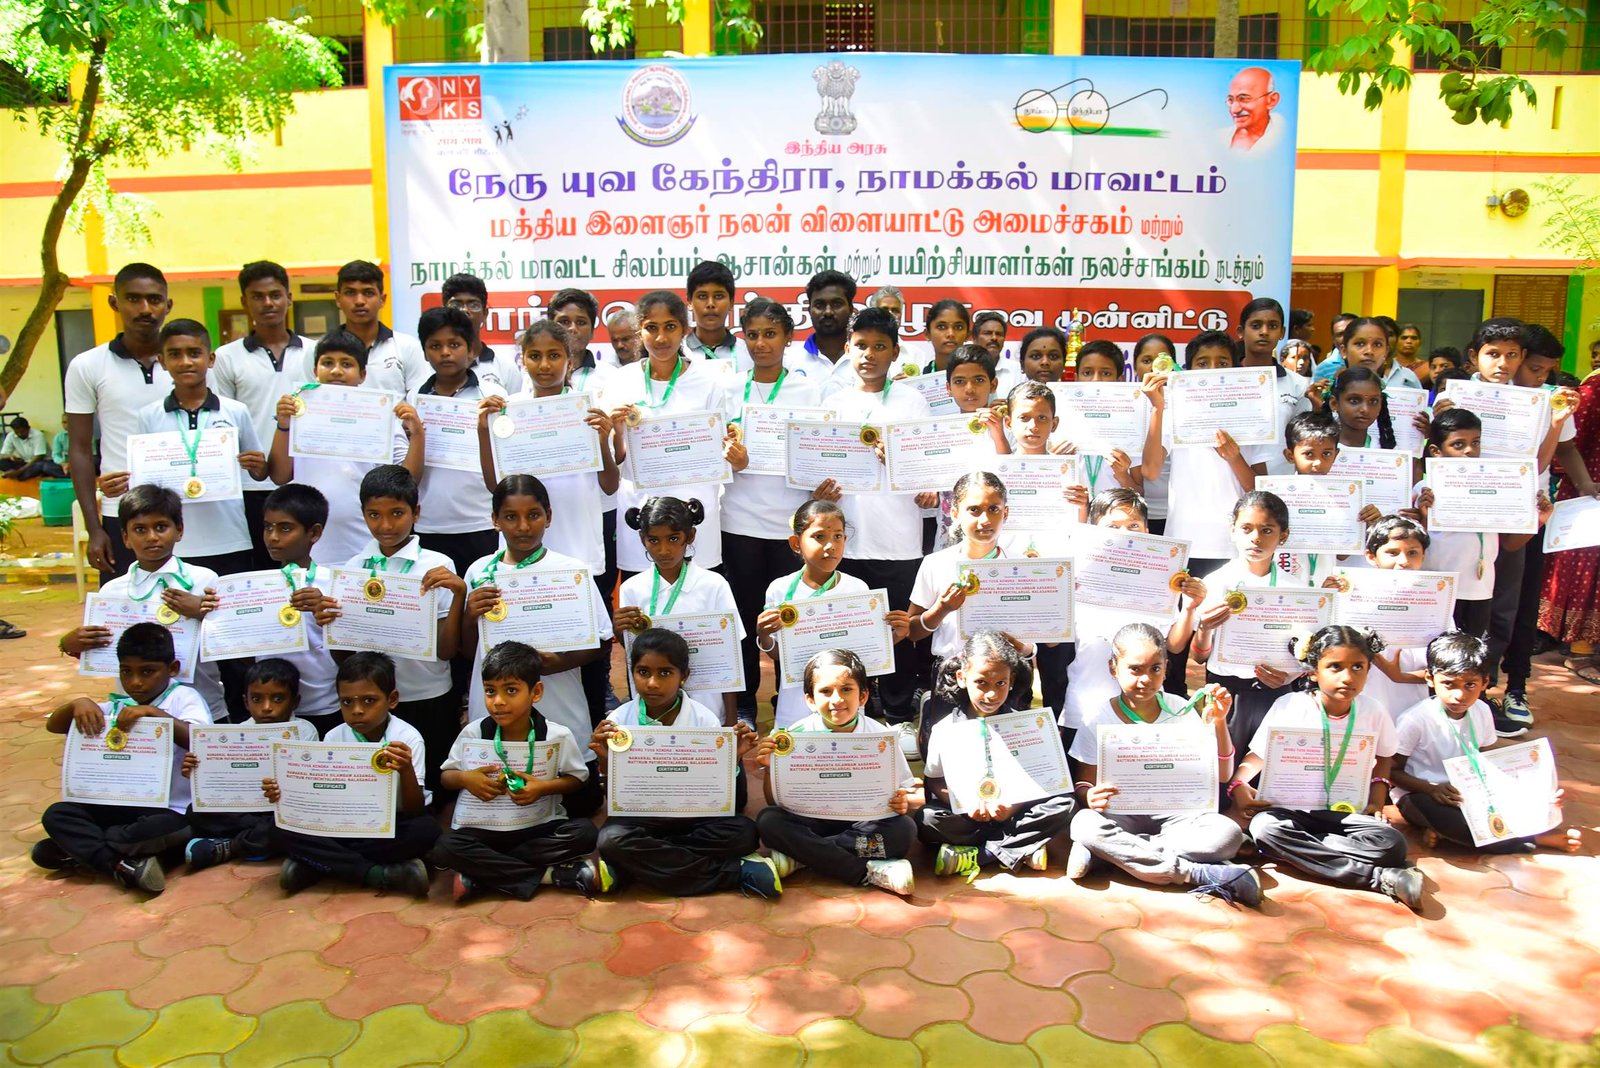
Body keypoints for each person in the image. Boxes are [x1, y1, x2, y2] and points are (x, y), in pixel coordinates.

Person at [1226, 625, 1424, 911]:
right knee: (1267, 829)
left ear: (1369, 671)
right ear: (1313, 672)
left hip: (1345, 811)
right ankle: (1378, 877)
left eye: (1358, 667)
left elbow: (1384, 758)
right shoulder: (1290, 705)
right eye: (1335, 667)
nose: (1348, 677)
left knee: (1392, 843)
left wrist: (1376, 800)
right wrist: (1238, 786)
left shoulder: (1373, 710)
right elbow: (1257, 756)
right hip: (1290, 809)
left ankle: (1305, 849)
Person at [1066, 623, 1259, 905]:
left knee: (1227, 834)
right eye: (1135, 669)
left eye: (1155, 669)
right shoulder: (1098, 716)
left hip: (1176, 819)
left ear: (1166, 668)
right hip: (1121, 816)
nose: (1145, 679)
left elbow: (1222, 775)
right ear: (1113, 668)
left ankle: (1107, 854)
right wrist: (1088, 795)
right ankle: (1196, 873)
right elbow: (1084, 782)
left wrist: (1218, 722)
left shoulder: (1181, 711)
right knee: (1084, 822)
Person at [458, 475, 611, 814]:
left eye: (534, 515)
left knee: (580, 805)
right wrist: (470, 616)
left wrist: (556, 663)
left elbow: (601, 642)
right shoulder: (480, 572)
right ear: (494, 519)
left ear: (549, 516)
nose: (523, 526)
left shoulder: (572, 572)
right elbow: (469, 652)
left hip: (559, 698)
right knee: (498, 799)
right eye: (511, 517)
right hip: (498, 705)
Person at [818, 306, 933, 750]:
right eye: (861, 345)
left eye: (879, 346)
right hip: (849, 537)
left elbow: (930, 468)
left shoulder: (913, 402)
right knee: (852, 627)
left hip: (900, 537)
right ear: (847, 349)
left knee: (898, 627)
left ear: (895, 352)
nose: (869, 354)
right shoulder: (834, 405)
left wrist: (923, 484)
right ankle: (857, 712)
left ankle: (901, 711)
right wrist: (819, 485)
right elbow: (817, 468)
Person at [590, 629, 775, 897]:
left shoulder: (704, 720)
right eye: (643, 672)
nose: (652, 683)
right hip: (643, 817)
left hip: (694, 817)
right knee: (610, 839)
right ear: (632, 673)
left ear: (683, 676)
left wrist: (731, 758)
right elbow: (616, 795)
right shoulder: (619, 721)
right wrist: (605, 759)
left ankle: (636, 865)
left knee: (744, 833)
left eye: (665, 673)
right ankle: (733, 873)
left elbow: (718, 792)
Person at [316, 464, 464, 796]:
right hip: (373, 703)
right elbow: (345, 656)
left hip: (428, 692)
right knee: (372, 790)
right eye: (374, 514)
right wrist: (330, 625)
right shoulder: (353, 569)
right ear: (363, 514)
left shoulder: (437, 566)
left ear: (416, 512)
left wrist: (459, 595)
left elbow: (446, 651)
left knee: (432, 792)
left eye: (397, 513)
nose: (385, 525)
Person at [34, 622, 212, 894]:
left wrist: (154, 714)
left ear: (173, 669)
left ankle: (88, 851)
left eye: (148, 672)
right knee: (57, 815)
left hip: (169, 809)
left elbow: (201, 741)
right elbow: (55, 726)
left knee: (159, 831)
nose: (136, 682)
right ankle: (122, 865)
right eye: (126, 672)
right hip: (120, 803)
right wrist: (77, 703)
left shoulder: (184, 698)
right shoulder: (118, 704)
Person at [431, 642, 605, 901]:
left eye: (511, 690)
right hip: (486, 829)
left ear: (536, 692)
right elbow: (447, 776)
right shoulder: (474, 732)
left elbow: (578, 778)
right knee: (446, 847)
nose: (498, 702)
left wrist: (543, 787)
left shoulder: (557, 734)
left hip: (537, 826)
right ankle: (550, 876)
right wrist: (466, 778)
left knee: (585, 833)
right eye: (490, 691)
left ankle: (483, 873)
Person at [721, 298, 825, 724]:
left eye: (771, 334)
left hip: (790, 520)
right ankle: (745, 703)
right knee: (747, 617)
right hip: (739, 520)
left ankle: (796, 705)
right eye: (753, 334)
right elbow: (710, 450)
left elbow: (820, 449)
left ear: (787, 337)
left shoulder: (808, 390)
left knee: (792, 616)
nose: (761, 343)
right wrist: (731, 457)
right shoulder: (728, 388)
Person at [264, 652, 441, 896]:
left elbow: (414, 809)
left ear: (392, 699)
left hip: (392, 823)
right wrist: (286, 794)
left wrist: (406, 770)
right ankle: (378, 874)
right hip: (344, 824)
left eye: (369, 701)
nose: (357, 710)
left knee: (426, 830)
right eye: (347, 702)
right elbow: (322, 798)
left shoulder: (407, 737)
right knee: (279, 827)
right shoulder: (335, 737)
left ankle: (319, 865)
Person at [1391, 633, 1582, 855]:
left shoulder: (1481, 711)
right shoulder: (1415, 720)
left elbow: (1486, 761)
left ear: (1485, 682)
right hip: (1420, 794)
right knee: (1461, 824)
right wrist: (1431, 789)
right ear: (1430, 679)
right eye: (1448, 684)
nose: (1459, 695)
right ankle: (1534, 840)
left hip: (1469, 792)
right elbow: (1392, 772)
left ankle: (1441, 832)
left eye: (1470, 685)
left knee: (1499, 811)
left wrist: (1538, 792)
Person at [1493, 324, 1595, 732]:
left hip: (1529, 514)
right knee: (1480, 606)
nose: (1542, 378)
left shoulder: (1550, 401)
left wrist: (1586, 485)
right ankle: (1470, 686)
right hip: (1474, 514)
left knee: (1520, 603)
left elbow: (1566, 448)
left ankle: (1516, 685)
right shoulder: (1470, 396)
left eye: (1547, 370)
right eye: (1535, 368)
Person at [755, 649, 922, 896]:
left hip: (860, 824)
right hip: (811, 821)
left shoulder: (880, 737)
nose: (837, 700)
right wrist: (770, 770)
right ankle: (866, 872)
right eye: (825, 691)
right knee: (768, 821)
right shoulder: (793, 737)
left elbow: (905, 790)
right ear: (810, 700)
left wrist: (901, 801)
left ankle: (802, 857)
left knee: (903, 832)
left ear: (863, 695)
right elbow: (775, 801)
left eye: (846, 689)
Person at [56, 484, 226, 720]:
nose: (152, 537)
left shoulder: (205, 580)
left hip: (202, 706)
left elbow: (230, 642)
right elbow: (101, 647)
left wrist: (201, 613)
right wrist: (70, 643)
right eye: (140, 529)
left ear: (179, 530)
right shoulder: (112, 591)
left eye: (161, 527)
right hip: (134, 713)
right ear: (125, 538)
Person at [916, 630, 1076, 879]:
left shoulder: (1027, 725)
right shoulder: (945, 729)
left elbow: (1044, 781)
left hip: (1014, 813)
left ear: (1011, 681)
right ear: (962, 677)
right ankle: (1020, 848)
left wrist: (1013, 807)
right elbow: (935, 780)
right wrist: (966, 806)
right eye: (981, 683)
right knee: (927, 818)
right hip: (970, 818)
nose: (991, 694)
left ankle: (981, 855)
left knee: (1065, 804)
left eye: (1000, 683)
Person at [267, 329, 426, 567]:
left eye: (347, 364)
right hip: (313, 545)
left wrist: (417, 434)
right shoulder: (298, 412)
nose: (336, 370)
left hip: (366, 541)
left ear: (362, 374)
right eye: (327, 363)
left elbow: (408, 479)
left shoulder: (382, 414)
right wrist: (284, 425)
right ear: (315, 371)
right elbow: (280, 475)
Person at [606, 290, 736, 578]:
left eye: (670, 327)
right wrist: (616, 431)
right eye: (651, 328)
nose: (661, 338)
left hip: (695, 510)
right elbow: (615, 461)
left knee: (698, 601)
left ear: (684, 330)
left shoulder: (709, 382)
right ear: (639, 331)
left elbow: (718, 453)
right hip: (641, 511)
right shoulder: (621, 381)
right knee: (644, 604)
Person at [64, 262, 175, 582]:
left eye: (154, 300)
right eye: (133, 299)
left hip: (187, 511)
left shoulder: (189, 360)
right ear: (114, 302)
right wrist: (94, 528)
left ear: (168, 305)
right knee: (128, 614)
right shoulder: (87, 365)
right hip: (123, 513)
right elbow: (80, 450)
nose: (145, 309)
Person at [756, 499, 909, 729]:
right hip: (798, 699)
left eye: (838, 536)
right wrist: (764, 636)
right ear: (796, 543)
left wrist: (898, 634)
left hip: (844, 701)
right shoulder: (780, 589)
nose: (831, 546)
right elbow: (780, 656)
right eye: (819, 537)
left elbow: (870, 653)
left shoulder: (858, 589)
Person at [133, 319, 264, 576]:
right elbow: (145, 483)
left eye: (194, 353)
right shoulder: (149, 415)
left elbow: (259, 474)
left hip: (229, 536)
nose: (185, 362)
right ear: (162, 361)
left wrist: (259, 466)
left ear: (211, 358)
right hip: (175, 543)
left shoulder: (235, 411)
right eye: (175, 354)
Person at [212, 261, 318, 568]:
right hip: (251, 488)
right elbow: (222, 423)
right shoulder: (226, 357)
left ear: (289, 297)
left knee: (307, 573)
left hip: (305, 481)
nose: (268, 303)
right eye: (258, 296)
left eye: (275, 294)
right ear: (245, 302)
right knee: (263, 573)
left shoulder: (316, 353)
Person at [1190, 490, 1311, 756]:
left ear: (1284, 536)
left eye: (1267, 530)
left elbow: (1302, 654)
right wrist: (1205, 628)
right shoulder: (1214, 583)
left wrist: (1288, 676)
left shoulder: (1297, 591)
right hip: (1226, 690)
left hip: (1277, 691)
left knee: (1268, 766)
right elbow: (1198, 656)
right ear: (1232, 530)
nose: (1255, 538)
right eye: (1246, 528)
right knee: (1222, 764)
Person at [1418, 408, 1552, 643]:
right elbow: (1416, 542)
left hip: (1479, 589)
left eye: (1475, 442)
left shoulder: (1494, 489)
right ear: (1436, 452)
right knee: (1434, 651)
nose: (1470, 450)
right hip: (1436, 588)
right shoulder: (1424, 489)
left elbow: (1510, 544)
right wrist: (1423, 515)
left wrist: (1539, 519)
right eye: (1458, 445)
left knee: (1471, 653)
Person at [182, 658, 321, 871]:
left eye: (277, 699)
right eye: (257, 699)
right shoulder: (238, 732)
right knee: (195, 810)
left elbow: (306, 786)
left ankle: (230, 846)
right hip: (246, 808)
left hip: (278, 809)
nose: (266, 708)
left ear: (295, 701)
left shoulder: (304, 731)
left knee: (291, 822)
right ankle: (257, 843)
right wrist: (197, 771)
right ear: (246, 702)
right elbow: (221, 783)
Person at [616, 496, 743, 722]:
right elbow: (633, 653)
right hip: (652, 709)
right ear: (642, 539)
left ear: (690, 536)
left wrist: (731, 721)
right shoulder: (632, 589)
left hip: (707, 707)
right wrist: (619, 631)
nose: (664, 550)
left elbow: (729, 658)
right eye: (654, 540)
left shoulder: (714, 585)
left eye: (673, 538)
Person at [409, 306, 504, 577]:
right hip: (429, 522)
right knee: (438, 604)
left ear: (471, 348)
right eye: (435, 345)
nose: (445, 352)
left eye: (454, 344)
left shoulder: (492, 395)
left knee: (481, 602)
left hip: (480, 520)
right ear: (425, 352)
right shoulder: (415, 397)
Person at [260, 483, 342, 733]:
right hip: (270, 710)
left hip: (324, 707)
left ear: (314, 533)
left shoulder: (336, 585)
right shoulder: (254, 588)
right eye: (268, 527)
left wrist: (329, 621)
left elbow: (350, 658)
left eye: (285, 528)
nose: (273, 537)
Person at [1540, 352, 1600, 676]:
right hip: (1590, 492)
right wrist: (1585, 483)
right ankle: (1580, 651)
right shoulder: (1595, 390)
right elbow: (1571, 444)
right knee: (1589, 572)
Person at [1355, 516, 1435, 717]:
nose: (1404, 562)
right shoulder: (1352, 596)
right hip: (1361, 700)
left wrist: (1400, 676)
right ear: (1371, 556)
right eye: (1392, 553)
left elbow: (1444, 668)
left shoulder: (1435, 602)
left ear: (1423, 556)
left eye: (1413, 553)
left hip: (1412, 704)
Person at [333, 260, 428, 397]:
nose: (359, 301)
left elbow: (420, 400)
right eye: (350, 293)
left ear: (382, 299)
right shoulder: (323, 350)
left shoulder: (407, 347)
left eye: (368, 293)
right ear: (338, 298)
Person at [441, 272, 522, 394]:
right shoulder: (431, 364)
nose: (465, 311)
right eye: (456, 305)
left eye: (473, 305)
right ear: (444, 312)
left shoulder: (505, 368)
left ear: (485, 314)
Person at [787, 269, 858, 393]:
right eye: (819, 305)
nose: (828, 312)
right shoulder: (790, 360)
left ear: (851, 309)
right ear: (809, 310)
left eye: (836, 304)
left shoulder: (866, 359)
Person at [683, 260, 751, 371]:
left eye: (719, 296)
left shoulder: (748, 353)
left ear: (731, 302)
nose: (710, 304)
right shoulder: (678, 352)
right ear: (690, 302)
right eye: (702, 296)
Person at [549, 288, 615, 397]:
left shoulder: (611, 376)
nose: (572, 328)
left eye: (581, 322)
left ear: (592, 331)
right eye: (564, 321)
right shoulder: (537, 374)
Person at [1223, 66, 1284, 152]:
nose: (1234, 110)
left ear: (1271, 100)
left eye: (1243, 99)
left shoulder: (1283, 135)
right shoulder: (1218, 138)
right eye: (1230, 100)